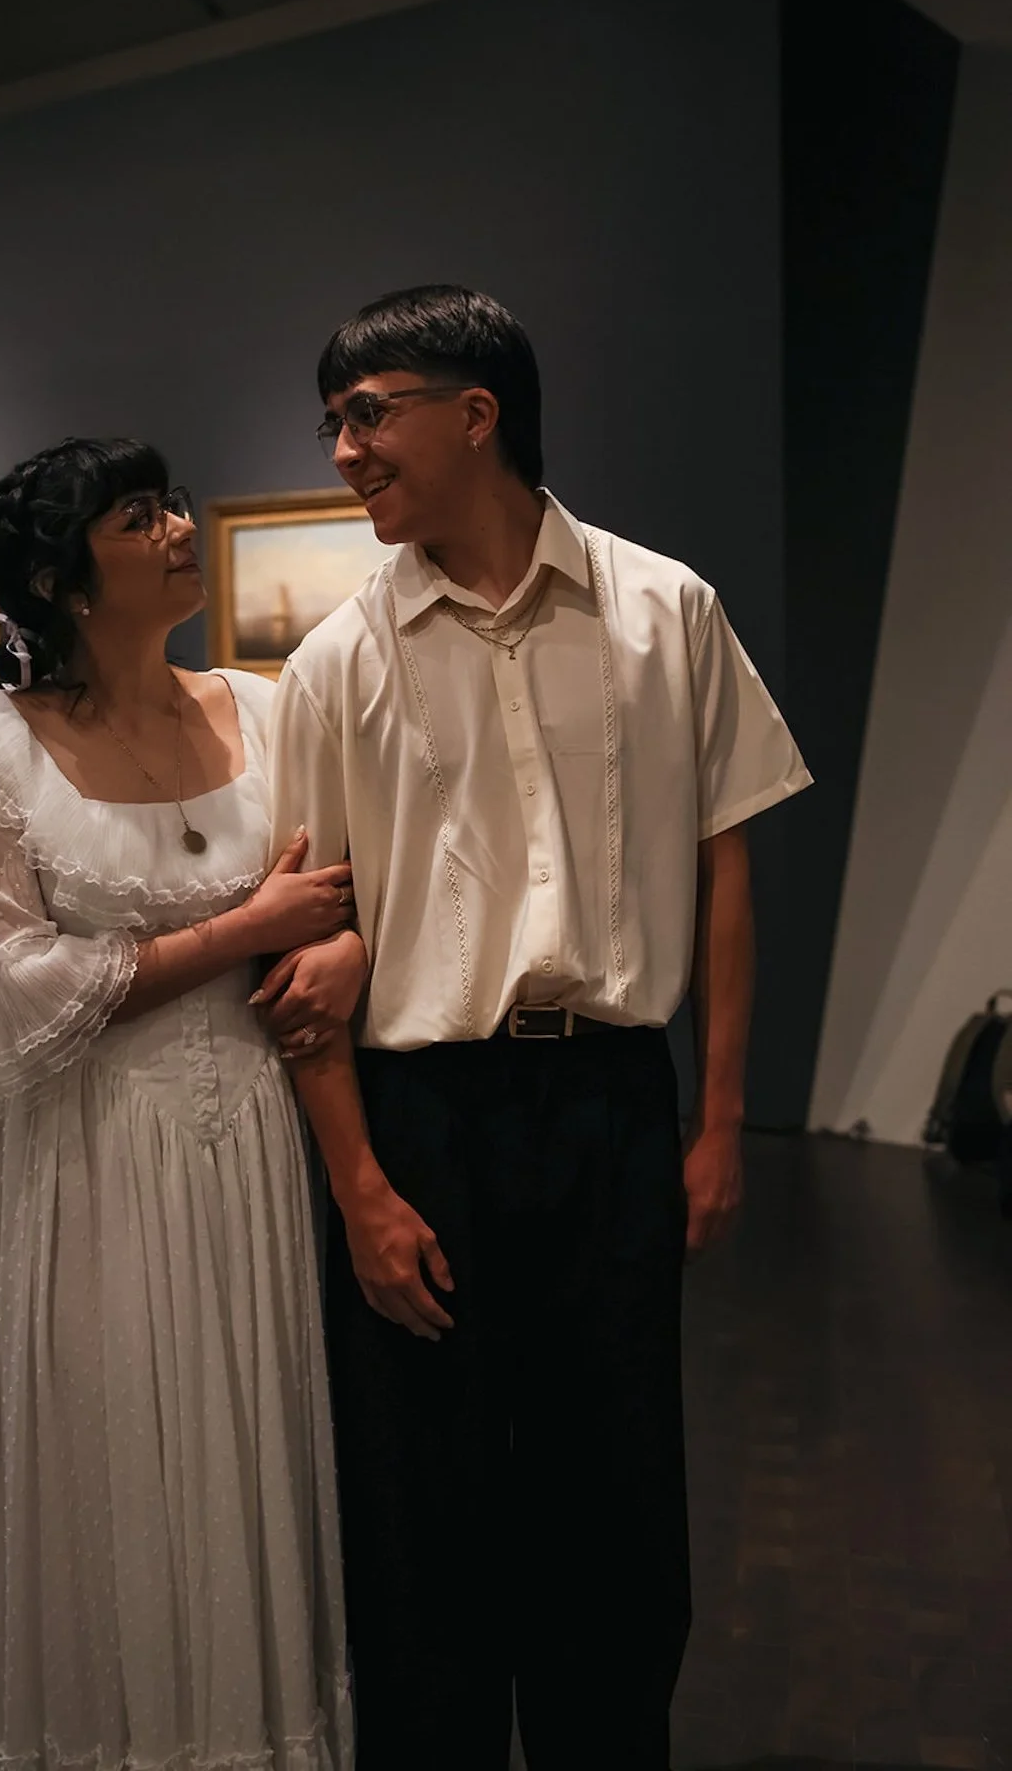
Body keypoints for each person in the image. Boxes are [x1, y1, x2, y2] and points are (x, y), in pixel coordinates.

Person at [261, 286, 813, 1771]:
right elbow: (309, 947)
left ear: (476, 411)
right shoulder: (332, 668)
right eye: (333, 423)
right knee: (421, 1518)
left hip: (615, 1108)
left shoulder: (664, 610)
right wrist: (358, 1188)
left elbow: (724, 873)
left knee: (619, 1503)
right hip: (420, 1122)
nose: (344, 451)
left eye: (366, 412)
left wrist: (716, 1122)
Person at [0, 438, 361, 1771]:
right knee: (109, 1462)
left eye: (170, 504)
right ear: (64, 576)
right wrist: (251, 928)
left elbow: (350, 892)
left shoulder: (268, 708)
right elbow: (10, 995)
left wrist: (333, 942)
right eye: (137, 513)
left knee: (242, 1444)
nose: (177, 527)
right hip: (88, 1158)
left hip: (247, 1143)